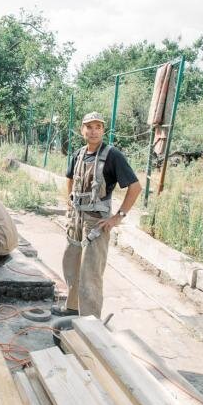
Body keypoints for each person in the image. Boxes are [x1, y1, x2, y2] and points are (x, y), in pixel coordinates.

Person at [53, 112, 142, 318]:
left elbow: (135, 187)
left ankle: (89, 322)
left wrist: (117, 217)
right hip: (76, 220)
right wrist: (70, 201)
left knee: (91, 273)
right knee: (71, 265)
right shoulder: (78, 154)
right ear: (82, 130)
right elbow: (69, 178)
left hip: (96, 223)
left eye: (98, 127)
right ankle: (72, 308)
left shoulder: (113, 156)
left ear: (103, 130)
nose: (93, 131)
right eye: (89, 127)